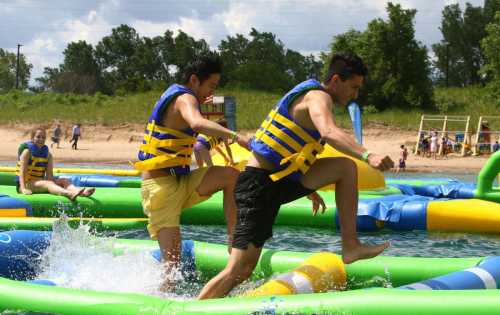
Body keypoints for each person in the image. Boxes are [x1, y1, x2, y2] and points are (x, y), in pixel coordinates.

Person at [198, 53, 394, 299]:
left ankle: (350, 245)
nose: (355, 94)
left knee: (345, 168)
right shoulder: (317, 97)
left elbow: (291, 153)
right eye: (353, 87)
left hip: (280, 181)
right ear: (335, 80)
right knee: (239, 269)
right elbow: (330, 132)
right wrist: (368, 155)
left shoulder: (316, 97)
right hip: (257, 185)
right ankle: (192, 309)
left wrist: (309, 188)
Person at [133, 54, 250, 291]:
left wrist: (216, 130)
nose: (211, 92)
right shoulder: (184, 99)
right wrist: (236, 137)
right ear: (195, 80)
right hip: (160, 190)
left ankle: (233, 241)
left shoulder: (188, 100)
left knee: (231, 175)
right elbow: (196, 124)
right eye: (211, 86)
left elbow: (195, 134)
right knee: (172, 268)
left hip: (182, 181)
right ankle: (159, 304)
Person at [17, 128, 95, 200]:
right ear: (32, 138)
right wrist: (23, 189)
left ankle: (80, 192)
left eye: (43, 137)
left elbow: (49, 176)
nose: (41, 139)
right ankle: (69, 194)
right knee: (48, 183)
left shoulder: (48, 155)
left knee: (65, 180)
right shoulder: (27, 152)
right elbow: (22, 173)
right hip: (26, 184)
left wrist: (58, 182)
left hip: (39, 182)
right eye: (38, 137)